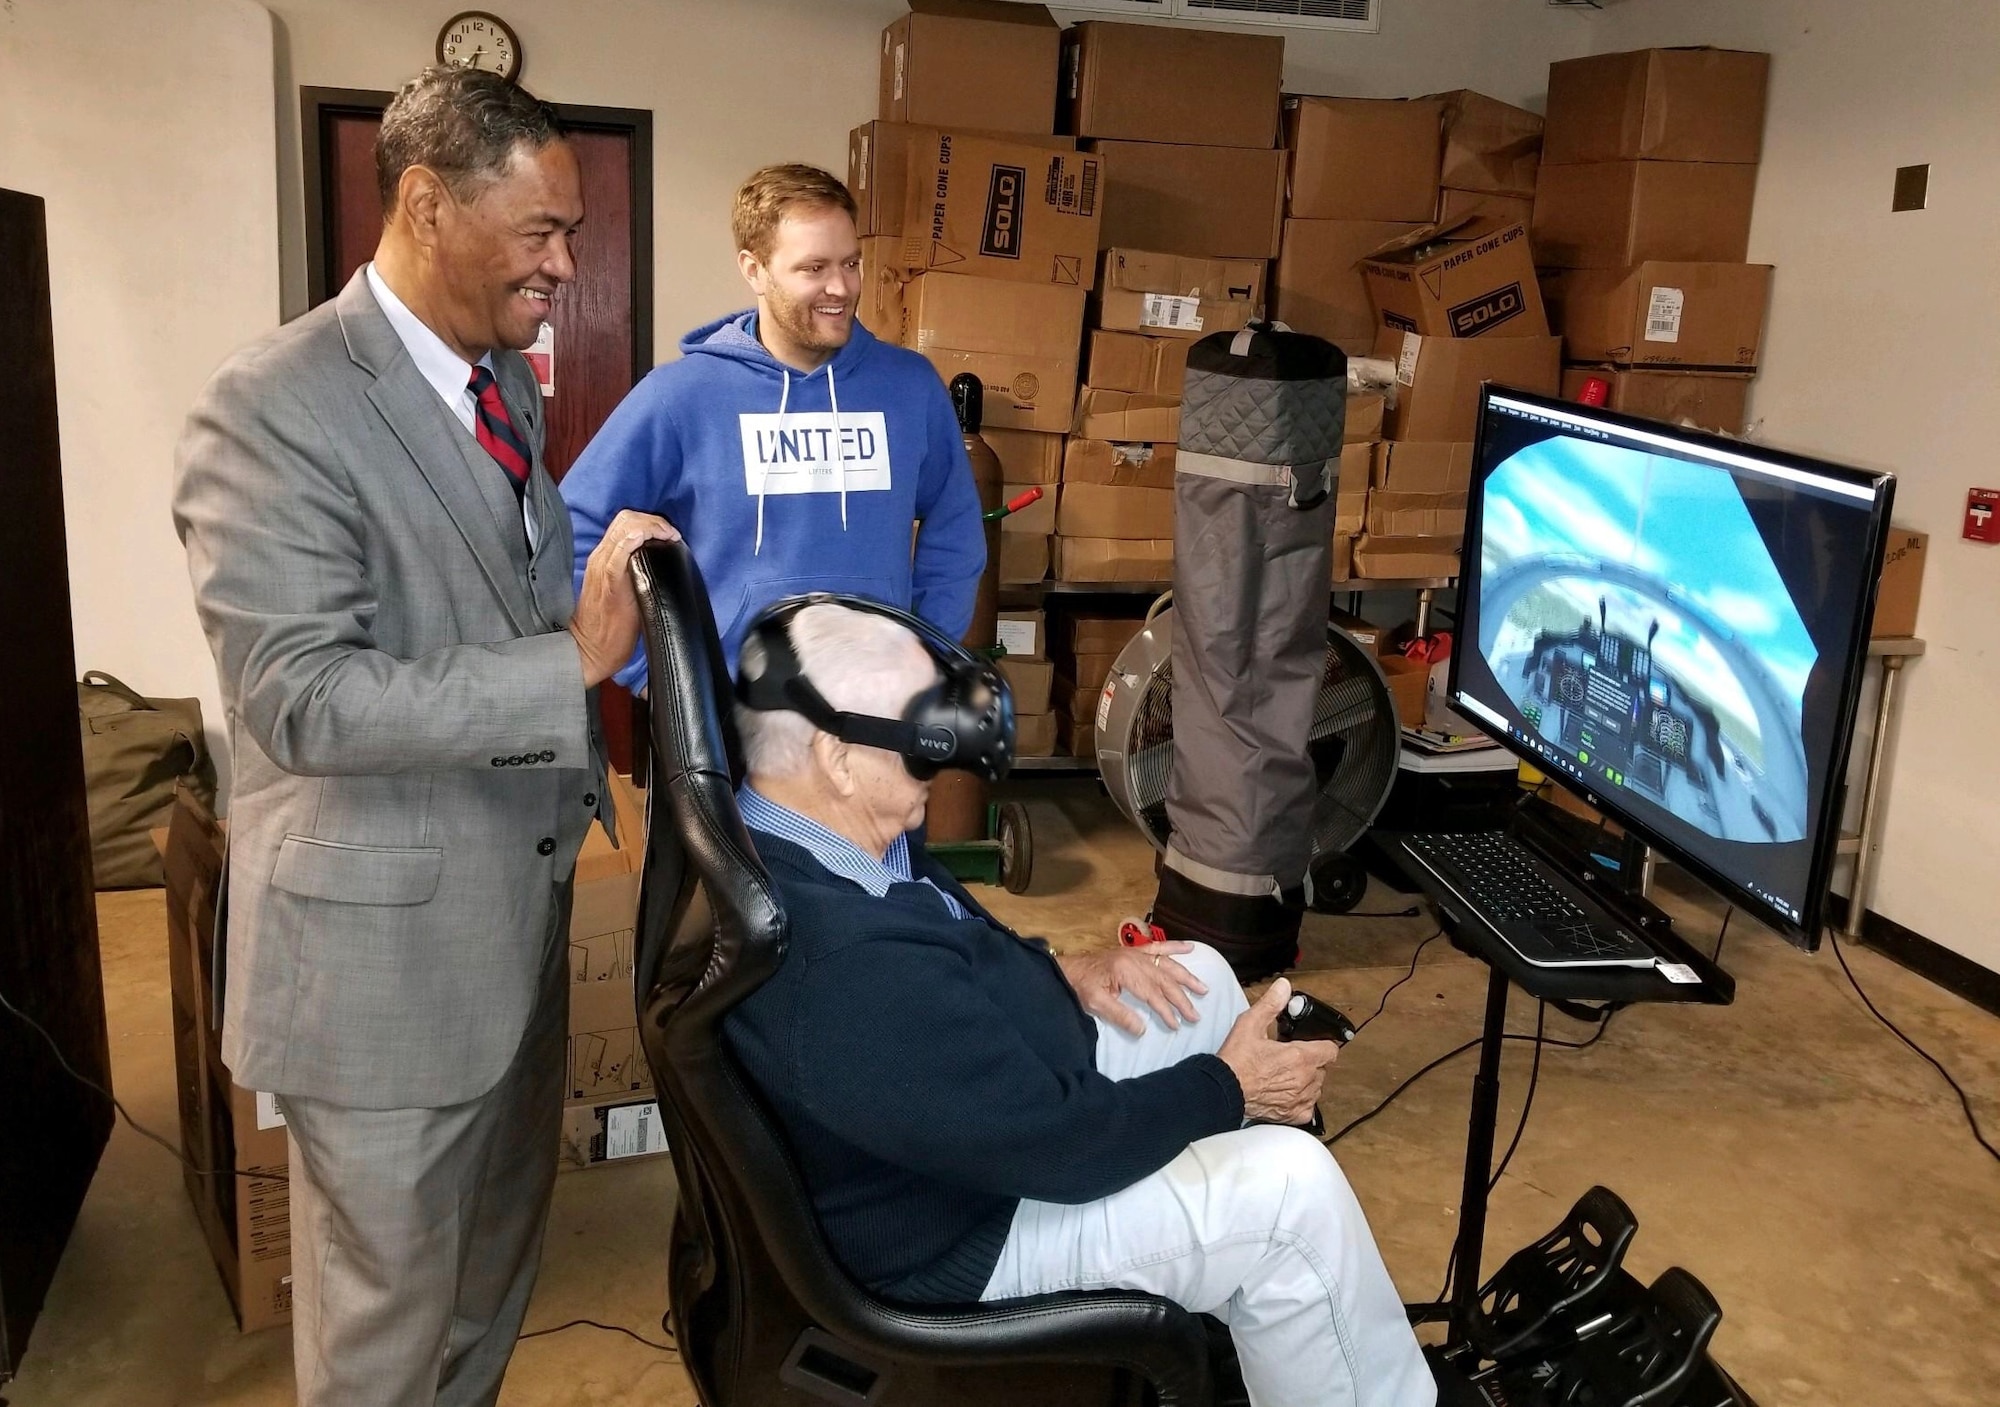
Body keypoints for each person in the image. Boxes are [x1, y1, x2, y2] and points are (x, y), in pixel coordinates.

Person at [172, 68, 675, 1407]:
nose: (566, 262)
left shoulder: (499, 378)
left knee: (488, 1281)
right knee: (385, 1327)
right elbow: (302, 698)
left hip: (511, 931)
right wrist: (570, 659)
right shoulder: (272, 405)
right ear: (424, 205)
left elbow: (494, 580)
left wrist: (595, 591)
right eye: (540, 232)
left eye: (569, 232)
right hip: (380, 965)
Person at [723, 602, 1437, 1407]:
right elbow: (1061, 1150)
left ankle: (1252, 1305)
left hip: (977, 1123)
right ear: (838, 755)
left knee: (1193, 973)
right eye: (920, 736)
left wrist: (1066, 969)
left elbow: (953, 952)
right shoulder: (845, 962)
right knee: (1292, 1193)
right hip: (961, 1228)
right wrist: (1230, 1086)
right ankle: (1286, 1280)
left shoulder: (814, 836)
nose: (943, 754)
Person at [558, 163, 985, 682]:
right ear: (754, 269)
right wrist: (656, 675)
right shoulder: (681, 397)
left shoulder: (911, 388)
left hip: (879, 712)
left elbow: (956, 528)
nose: (841, 287)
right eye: (814, 268)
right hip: (739, 720)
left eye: (851, 263)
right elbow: (575, 531)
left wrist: (929, 654)